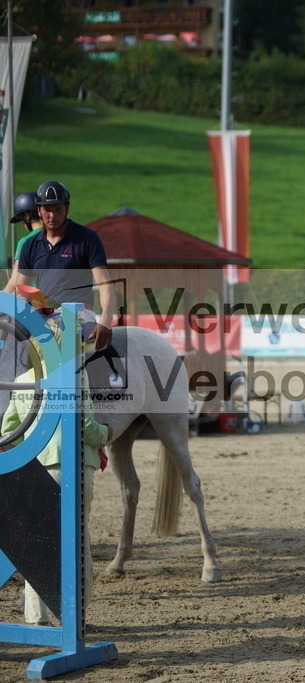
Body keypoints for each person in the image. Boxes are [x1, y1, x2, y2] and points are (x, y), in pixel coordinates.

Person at [3, 367, 109, 625]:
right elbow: (86, 426)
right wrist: (107, 433)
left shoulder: (23, 379)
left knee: (35, 542)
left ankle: (36, 616)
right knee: (77, 542)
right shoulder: (77, 375)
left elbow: (10, 428)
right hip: (72, 465)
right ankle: (75, 619)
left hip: (36, 468)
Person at [14, 181, 123, 385]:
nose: (52, 215)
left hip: (79, 314)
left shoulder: (87, 239)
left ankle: (83, 407)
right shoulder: (30, 245)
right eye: (47, 210)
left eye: (58, 209)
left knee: (58, 334)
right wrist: (37, 308)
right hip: (44, 316)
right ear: (39, 210)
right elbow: (22, 289)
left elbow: (105, 283)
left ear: (67, 208)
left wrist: (106, 320)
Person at [3, 190, 42, 294]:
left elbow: (15, 282)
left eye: (21, 218)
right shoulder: (56, 236)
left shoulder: (26, 242)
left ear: (26, 216)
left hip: (35, 302)